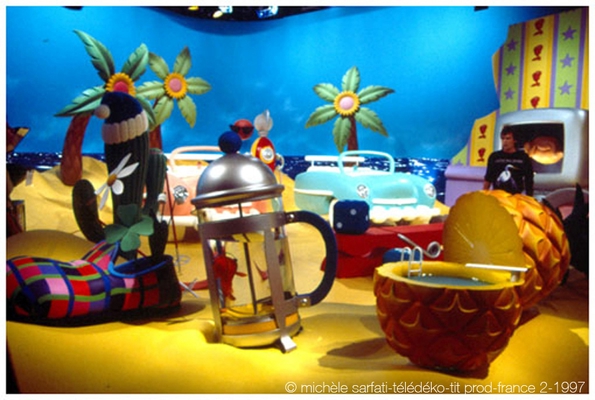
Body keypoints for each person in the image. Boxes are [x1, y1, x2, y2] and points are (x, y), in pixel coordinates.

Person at [483, 130, 534, 196]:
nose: (505, 141)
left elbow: (529, 179)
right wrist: (484, 195)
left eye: (508, 138)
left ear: (514, 140)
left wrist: (530, 198)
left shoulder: (523, 157)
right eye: (503, 138)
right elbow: (488, 178)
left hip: (516, 197)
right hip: (498, 196)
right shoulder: (494, 157)